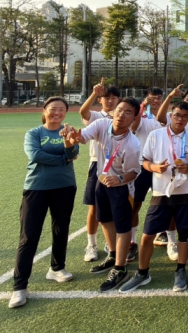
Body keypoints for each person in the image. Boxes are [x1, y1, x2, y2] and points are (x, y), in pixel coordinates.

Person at [119, 102, 188, 293]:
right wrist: (155, 168)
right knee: (148, 235)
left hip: (186, 191)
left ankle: (181, 270)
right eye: (177, 115)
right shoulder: (156, 135)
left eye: (185, 116)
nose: (180, 119)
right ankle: (142, 273)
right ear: (170, 116)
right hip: (161, 191)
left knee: (184, 233)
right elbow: (145, 161)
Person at [9, 98, 80, 309]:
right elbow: (35, 155)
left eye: (61, 109)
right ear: (44, 111)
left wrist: (69, 143)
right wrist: (63, 159)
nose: (57, 112)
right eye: (53, 109)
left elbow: (73, 153)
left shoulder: (69, 131)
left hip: (65, 186)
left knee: (61, 229)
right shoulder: (34, 133)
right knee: (29, 237)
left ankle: (57, 268)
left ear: (66, 113)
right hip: (36, 188)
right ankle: (20, 287)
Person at [70, 98, 142, 291]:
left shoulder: (132, 144)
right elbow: (83, 137)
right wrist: (76, 137)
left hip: (122, 188)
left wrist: (119, 179)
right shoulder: (102, 124)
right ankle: (113, 255)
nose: (121, 115)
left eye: (128, 112)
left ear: (134, 118)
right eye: (120, 110)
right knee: (104, 220)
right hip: (101, 182)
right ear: (113, 111)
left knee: (123, 227)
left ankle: (120, 268)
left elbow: (134, 172)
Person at [156, 85, 188, 250]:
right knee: (172, 202)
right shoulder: (177, 118)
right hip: (175, 167)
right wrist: (170, 96)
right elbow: (160, 117)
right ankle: (171, 238)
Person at [78, 78, 119, 262]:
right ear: (101, 100)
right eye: (106, 97)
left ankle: (110, 243)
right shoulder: (95, 116)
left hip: (118, 166)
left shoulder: (121, 116)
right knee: (94, 207)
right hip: (98, 164)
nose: (110, 101)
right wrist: (94, 93)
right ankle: (91, 244)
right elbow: (83, 112)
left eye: (113, 98)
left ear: (118, 100)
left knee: (117, 206)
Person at [129, 88, 165, 263]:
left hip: (162, 166)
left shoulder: (168, 116)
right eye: (152, 98)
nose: (155, 101)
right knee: (134, 204)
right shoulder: (141, 117)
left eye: (158, 98)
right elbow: (133, 127)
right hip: (142, 165)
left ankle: (162, 233)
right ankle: (132, 241)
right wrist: (142, 106)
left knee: (164, 202)